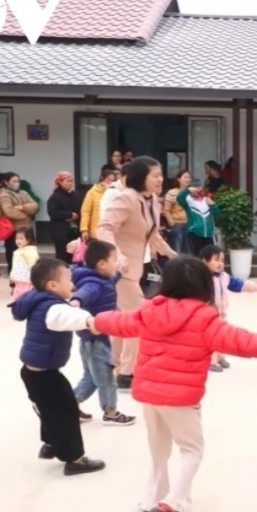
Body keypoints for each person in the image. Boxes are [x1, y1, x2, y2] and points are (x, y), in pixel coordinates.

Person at [93, 257, 257, 512]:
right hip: (180, 398)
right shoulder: (205, 318)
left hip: (149, 393)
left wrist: (95, 321)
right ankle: (176, 501)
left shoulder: (149, 310)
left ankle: (152, 497)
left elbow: (120, 321)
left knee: (159, 449)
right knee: (192, 449)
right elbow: (237, 339)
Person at [11, 257, 105, 475]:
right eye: (69, 280)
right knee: (66, 412)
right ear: (52, 286)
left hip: (35, 372)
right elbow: (67, 316)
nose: (73, 285)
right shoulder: (52, 308)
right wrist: (90, 322)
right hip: (45, 376)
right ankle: (74, 459)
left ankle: (52, 445)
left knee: (51, 410)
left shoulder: (38, 299)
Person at [95, 157, 178, 390]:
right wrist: (117, 254)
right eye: (155, 175)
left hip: (136, 268)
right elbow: (104, 228)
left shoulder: (152, 200)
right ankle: (127, 372)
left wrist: (173, 255)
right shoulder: (127, 197)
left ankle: (115, 365)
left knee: (125, 320)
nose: (160, 179)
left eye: (161, 175)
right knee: (140, 317)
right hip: (120, 269)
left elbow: (153, 235)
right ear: (141, 176)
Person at [70, 240, 135, 426]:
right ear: (102, 264)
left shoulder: (103, 279)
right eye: (114, 260)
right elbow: (85, 293)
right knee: (106, 376)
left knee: (91, 377)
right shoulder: (94, 284)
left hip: (92, 339)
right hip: (95, 340)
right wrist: (76, 301)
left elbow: (111, 280)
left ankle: (68, 405)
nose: (116, 263)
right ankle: (111, 412)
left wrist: (121, 271)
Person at [0, 172, 38, 285]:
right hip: (14, 230)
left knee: (29, 255)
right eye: (14, 181)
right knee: (13, 255)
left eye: (18, 181)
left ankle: (29, 280)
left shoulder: (23, 193)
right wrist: (26, 215)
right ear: (6, 182)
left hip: (27, 229)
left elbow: (35, 205)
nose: (16, 183)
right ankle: (14, 281)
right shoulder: (4, 194)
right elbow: (9, 211)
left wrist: (22, 207)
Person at [198, 245, 235, 373]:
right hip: (207, 315)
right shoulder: (201, 278)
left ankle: (220, 356)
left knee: (221, 335)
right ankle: (210, 360)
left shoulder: (223, 276)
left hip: (221, 313)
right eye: (216, 259)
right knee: (210, 337)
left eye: (222, 260)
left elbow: (237, 284)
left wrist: (252, 286)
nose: (220, 263)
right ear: (205, 261)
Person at [46, 172, 80, 263]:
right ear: (60, 182)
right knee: (62, 255)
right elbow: (52, 212)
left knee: (75, 254)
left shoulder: (75, 195)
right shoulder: (55, 196)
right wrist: (69, 214)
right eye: (67, 181)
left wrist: (76, 215)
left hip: (75, 229)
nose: (70, 183)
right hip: (61, 231)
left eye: (71, 181)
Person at [78, 166, 117, 245]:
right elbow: (85, 212)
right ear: (102, 178)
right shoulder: (92, 192)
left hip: (111, 230)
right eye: (108, 180)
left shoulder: (115, 193)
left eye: (113, 181)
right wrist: (84, 229)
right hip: (96, 230)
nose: (110, 183)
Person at [179, 184, 220, 256]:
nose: (198, 190)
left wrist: (213, 205)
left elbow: (217, 215)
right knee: (197, 258)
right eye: (196, 188)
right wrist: (187, 190)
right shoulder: (188, 201)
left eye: (200, 188)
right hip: (195, 233)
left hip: (208, 235)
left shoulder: (206, 200)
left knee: (209, 258)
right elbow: (179, 198)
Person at [163, 169, 192, 254]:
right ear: (178, 179)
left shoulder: (192, 192)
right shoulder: (172, 192)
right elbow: (166, 209)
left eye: (189, 177)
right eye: (185, 177)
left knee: (188, 252)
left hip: (190, 225)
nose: (187, 179)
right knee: (176, 251)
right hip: (177, 225)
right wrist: (171, 222)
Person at [9, 227, 39, 300]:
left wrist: (35, 279)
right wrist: (12, 276)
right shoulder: (19, 251)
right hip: (18, 280)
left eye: (21, 238)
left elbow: (33, 266)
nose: (18, 241)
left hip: (27, 281)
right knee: (16, 297)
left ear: (28, 240)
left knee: (25, 297)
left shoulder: (30, 252)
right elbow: (15, 266)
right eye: (17, 238)